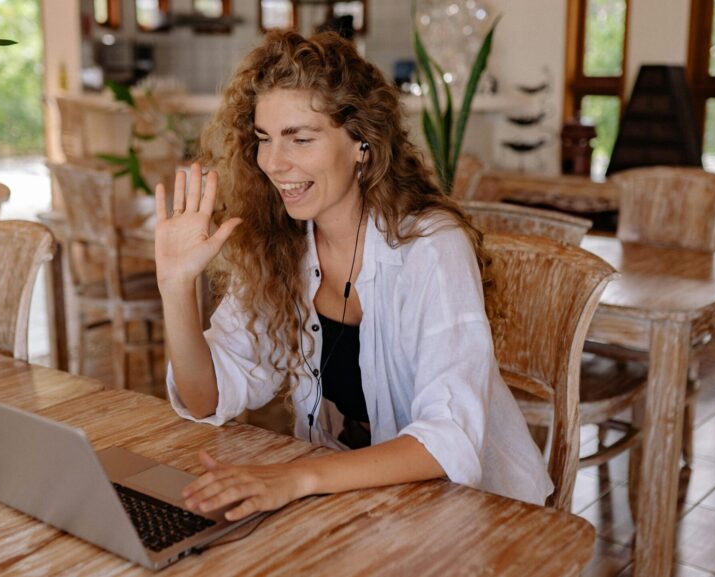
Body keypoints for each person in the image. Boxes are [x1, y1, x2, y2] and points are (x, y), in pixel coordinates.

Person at [153, 30, 551, 522]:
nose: (275, 163)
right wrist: (175, 289)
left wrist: (298, 479)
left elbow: (449, 440)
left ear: (362, 142)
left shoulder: (430, 247)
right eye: (264, 139)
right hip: (360, 505)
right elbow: (205, 396)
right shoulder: (282, 245)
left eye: (300, 138)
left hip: (480, 514)